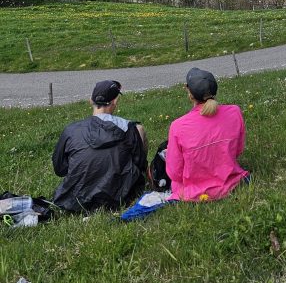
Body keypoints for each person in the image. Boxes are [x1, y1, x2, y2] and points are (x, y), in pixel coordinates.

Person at [52, 80, 148, 214]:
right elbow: (139, 164)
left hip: (75, 200)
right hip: (120, 197)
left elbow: (60, 169)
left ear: (90, 101)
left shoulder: (71, 130)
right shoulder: (133, 129)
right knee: (140, 131)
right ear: (115, 101)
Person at [165, 68, 248, 202]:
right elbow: (238, 150)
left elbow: (174, 173)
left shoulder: (178, 126)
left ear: (189, 93)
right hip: (232, 183)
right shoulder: (235, 112)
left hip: (194, 193)